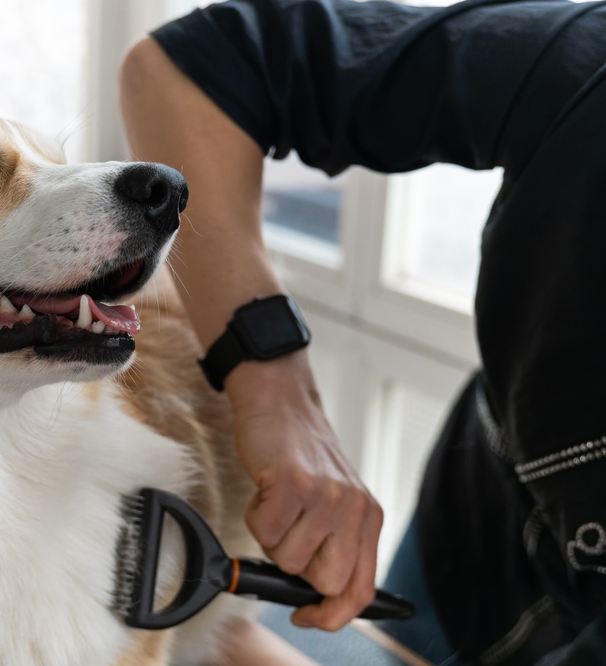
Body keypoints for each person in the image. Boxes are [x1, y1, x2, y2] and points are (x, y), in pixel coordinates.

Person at [119, 0, 606, 664]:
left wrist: (213, 636)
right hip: (469, 533)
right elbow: (190, 70)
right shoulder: (590, 77)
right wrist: (278, 399)